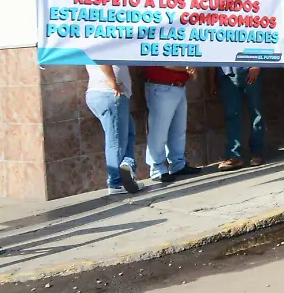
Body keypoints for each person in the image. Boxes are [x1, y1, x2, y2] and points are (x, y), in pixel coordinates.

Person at [85, 64, 139, 195]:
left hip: (100, 93)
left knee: (129, 133)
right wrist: (113, 82)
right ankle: (116, 182)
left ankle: (127, 166)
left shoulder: (91, 44)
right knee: (116, 141)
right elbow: (103, 60)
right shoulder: (103, 45)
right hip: (110, 93)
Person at [144, 64, 201, 183]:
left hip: (178, 86)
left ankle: (177, 164)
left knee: (178, 130)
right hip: (161, 86)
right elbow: (165, 63)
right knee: (158, 130)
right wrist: (186, 68)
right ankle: (156, 168)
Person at [212, 65, 266, 171]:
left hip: (249, 69)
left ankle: (257, 153)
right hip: (226, 73)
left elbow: (264, 47)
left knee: (256, 113)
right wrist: (212, 79)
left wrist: (257, 65)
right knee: (232, 115)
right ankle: (234, 156)